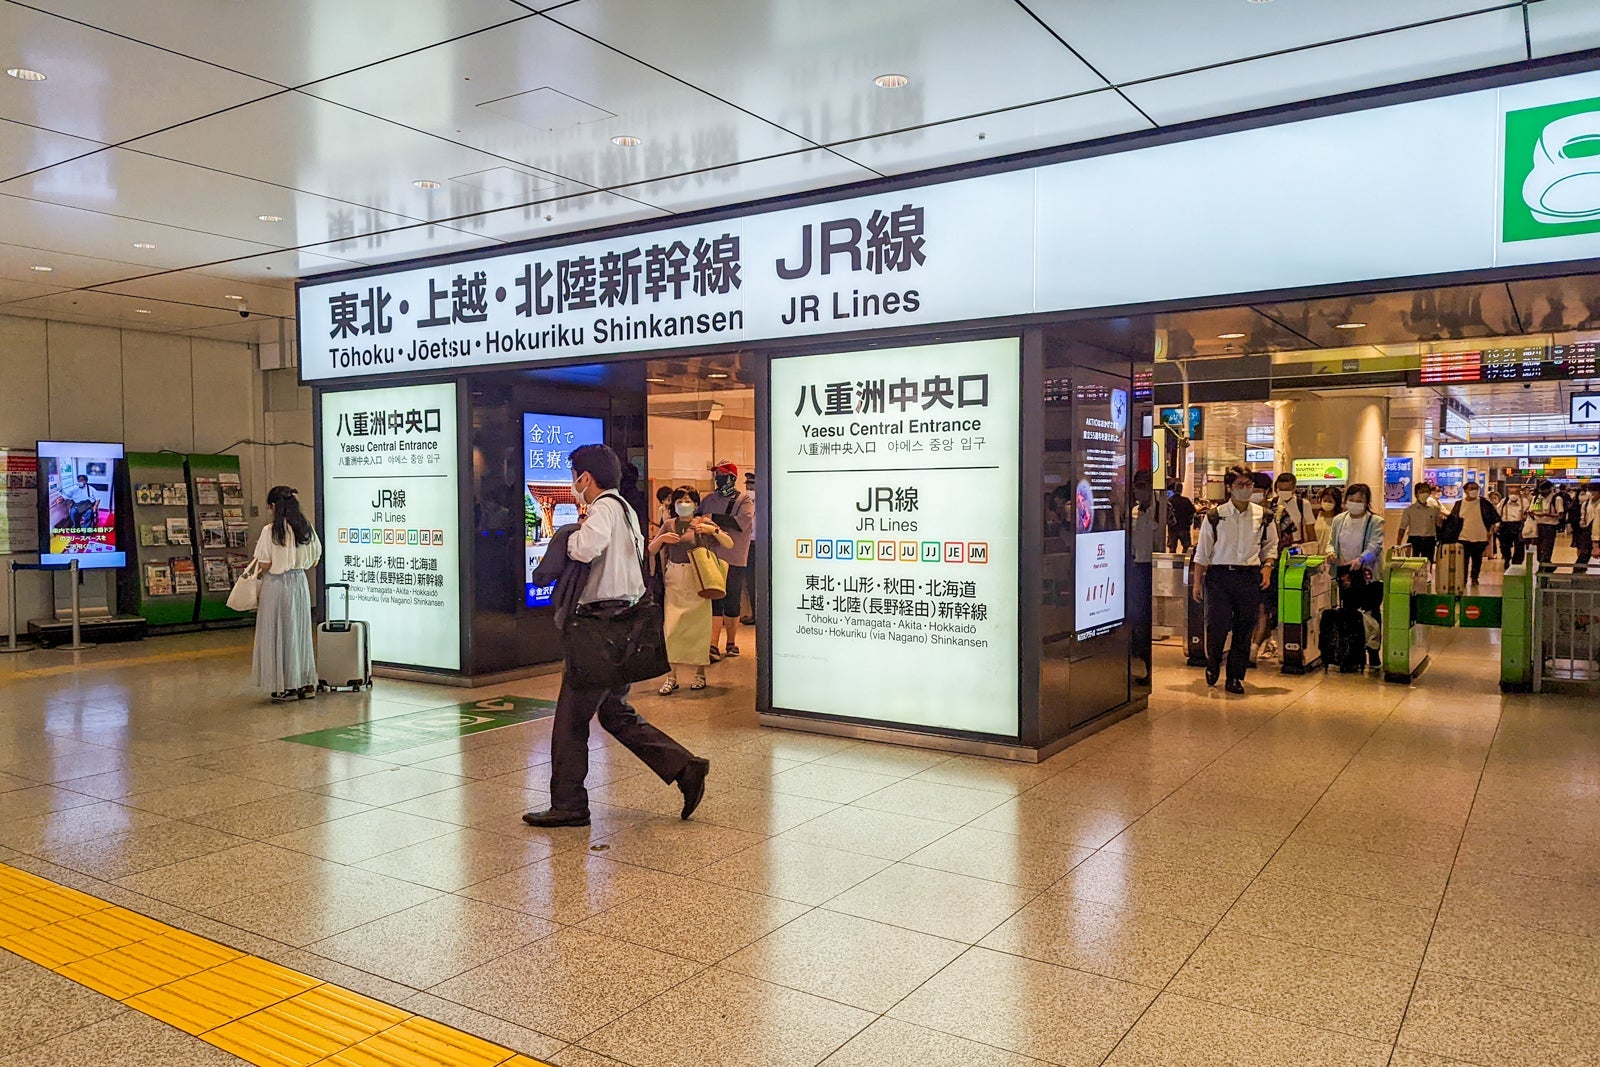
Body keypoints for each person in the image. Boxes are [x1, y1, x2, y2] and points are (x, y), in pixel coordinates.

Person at [524, 444, 710, 828]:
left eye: (574, 477)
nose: (573, 484)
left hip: (598, 629)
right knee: (615, 713)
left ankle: (570, 805)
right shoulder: (625, 509)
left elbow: (586, 548)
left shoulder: (602, 509)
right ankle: (685, 767)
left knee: (571, 720)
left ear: (585, 478)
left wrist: (567, 534)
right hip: (622, 625)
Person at [1191, 465, 1279, 694]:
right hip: (1220, 576)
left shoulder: (1263, 516)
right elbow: (1203, 552)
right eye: (1240, 485)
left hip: (1249, 576)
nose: (1245, 489)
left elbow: (1271, 546)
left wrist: (1267, 567)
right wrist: (1197, 582)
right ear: (1229, 487)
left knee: (1244, 627)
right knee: (1217, 625)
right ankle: (1213, 664)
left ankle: (1235, 676)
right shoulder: (1215, 516)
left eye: (1249, 485)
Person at [649, 487, 732, 694]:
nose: (683, 505)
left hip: (699, 578)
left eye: (688, 501)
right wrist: (662, 540)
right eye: (679, 501)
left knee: (699, 626)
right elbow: (651, 549)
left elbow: (729, 543)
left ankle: (700, 673)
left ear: (696, 504)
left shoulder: (703, 523)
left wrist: (712, 531)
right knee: (672, 627)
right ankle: (671, 677)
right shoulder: (669, 524)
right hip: (675, 578)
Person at [250, 485, 322, 701]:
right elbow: (315, 559)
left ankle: (285, 686)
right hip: (299, 583)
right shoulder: (306, 528)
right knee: (299, 633)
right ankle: (305, 683)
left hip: (276, 584)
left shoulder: (270, 531)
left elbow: (264, 562)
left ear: (274, 506)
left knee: (278, 633)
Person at [1251, 472, 1318, 663]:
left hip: (1289, 558)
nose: (1284, 492)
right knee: (1262, 606)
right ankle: (1262, 643)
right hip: (1263, 561)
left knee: (1280, 604)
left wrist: (1312, 554)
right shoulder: (1270, 506)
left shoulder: (1300, 505)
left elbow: (1309, 531)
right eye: (1281, 488)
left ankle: (1272, 643)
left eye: (1288, 488)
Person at [698, 460, 755, 660]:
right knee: (714, 600)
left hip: (735, 558)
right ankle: (713, 644)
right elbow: (697, 518)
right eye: (717, 475)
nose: (718, 479)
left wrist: (712, 518)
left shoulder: (744, 501)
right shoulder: (708, 499)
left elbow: (741, 523)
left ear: (732, 478)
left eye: (722, 475)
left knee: (732, 601)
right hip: (711, 557)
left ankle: (731, 642)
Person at [1327, 483, 1385, 670]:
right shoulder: (1339, 520)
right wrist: (1330, 552)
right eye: (1351, 500)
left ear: (1367, 502)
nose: (1355, 503)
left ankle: (1373, 651)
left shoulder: (1375, 521)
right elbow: (1331, 542)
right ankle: (1352, 655)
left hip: (1369, 576)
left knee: (1370, 613)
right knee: (1349, 613)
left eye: (1359, 500)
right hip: (1346, 575)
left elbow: (1375, 546)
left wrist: (1361, 559)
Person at [1130, 471, 1164, 685]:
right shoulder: (1134, 511)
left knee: (1146, 619)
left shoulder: (1160, 509)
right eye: (1137, 486)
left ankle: (1146, 666)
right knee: (1137, 619)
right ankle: (1140, 662)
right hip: (1136, 566)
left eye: (1143, 486)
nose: (1138, 491)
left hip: (1153, 566)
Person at [1449, 482, 1500, 585]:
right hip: (1463, 537)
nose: (1474, 491)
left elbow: (1494, 518)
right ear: (1465, 490)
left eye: (1476, 488)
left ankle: (1474, 578)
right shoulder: (1459, 504)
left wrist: (1491, 531)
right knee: (1463, 560)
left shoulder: (1484, 503)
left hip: (1480, 536)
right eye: (1472, 488)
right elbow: (1453, 520)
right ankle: (1463, 579)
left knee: (1477, 559)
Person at [1397, 482, 1443, 562]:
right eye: (1422, 492)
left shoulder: (1435, 509)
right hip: (1414, 540)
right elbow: (1402, 527)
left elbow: (1439, 525)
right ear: (1416, 494)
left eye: (1427, 491)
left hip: (1429, 540)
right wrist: (1398, 543)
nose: (1424, 494)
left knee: (1428, 562)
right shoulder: (1409, 510)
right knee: (1413, 563)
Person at [1531, 479, 1568, 565]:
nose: (1542, 492)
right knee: (1539, 550)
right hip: (1538, 525)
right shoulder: (1537, 498)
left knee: (1547, 549)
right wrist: (1532, 513)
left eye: (1544, 489)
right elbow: (1532, 510)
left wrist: (1547, 515)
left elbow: (1560, 515)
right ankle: (1543, 565)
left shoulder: (1556, 499)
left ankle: (1544, 567)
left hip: (1550, 526)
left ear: (1549, 489)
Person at [740, 470, 758, 626]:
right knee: (750, 581)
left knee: (758, 580)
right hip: (748, 545)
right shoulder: (744, 504)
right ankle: (755, 613)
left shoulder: (766, 502)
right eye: (748, 486)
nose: (749, 489)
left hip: (761, 545)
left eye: (752, 486)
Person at [1498, 484, 1527, 567]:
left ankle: (1517, 563)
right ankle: (1507, 558)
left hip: (1519, 525)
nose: (1513, 495)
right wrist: (1497, 525)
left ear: (1519, 493)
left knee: (1519, 545)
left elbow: (1528, 513)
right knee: (1504, 545)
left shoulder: (1524, 502)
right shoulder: (1504, 501)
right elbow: (1498, 513)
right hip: (1506, 525)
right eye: (1511, 493)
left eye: (1515, 493)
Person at [1166, 481, 1195, 553]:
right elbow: (1192, 512)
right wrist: (1189, 522)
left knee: (1172, 549)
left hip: (1173, 528)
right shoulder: (1186, 500)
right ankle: (1183, 559)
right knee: (1186, 547)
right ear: (1181, 490)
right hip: (1184, 528)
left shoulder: (1169, 500)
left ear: (1174, 489)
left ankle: (1173, 560)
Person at [1576, 483, 1600, 568]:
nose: (1591, 493)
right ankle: (1578, 574)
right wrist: (1582, 521)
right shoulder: (1585, 504)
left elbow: (1597, 524)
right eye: (1589, 490)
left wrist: (1596, 545)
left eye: (1594, 491)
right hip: (1587, 534)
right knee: (1582, 559)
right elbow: (1583, 516)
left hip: (1596, 533)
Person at [1312, 486, 1341, 555]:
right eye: (1325, 500)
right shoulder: (1315, 515)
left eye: (1330, 501)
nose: (1327, 503)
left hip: (1332, 556)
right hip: (1315, 556)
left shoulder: (1340, 519)